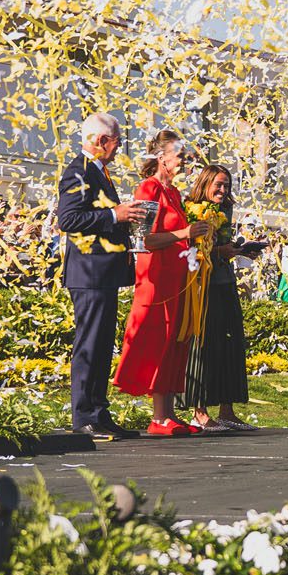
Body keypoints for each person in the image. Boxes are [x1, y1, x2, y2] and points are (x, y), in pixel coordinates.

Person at [112, 129, 214, 436]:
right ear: (162, 157)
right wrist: (186, 234)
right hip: (155, 277)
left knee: (175, 341)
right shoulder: (149, 188)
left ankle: (167, 412)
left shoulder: (173, 193)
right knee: (159, 339)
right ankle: (158, 415)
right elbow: (144, 239)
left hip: (176, 276)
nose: (186, 160)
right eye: (180, 155)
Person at [56, 113, 149, 440]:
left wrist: (125, 219)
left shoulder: (97, 172)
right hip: (89, 273)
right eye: (116, 139)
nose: (119, 145)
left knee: (101, 345)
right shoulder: (78, 171)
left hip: (102, 272)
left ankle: (98, 411)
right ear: (100, 141)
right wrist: (115, 213)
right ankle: (83, 415)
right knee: (89, 345)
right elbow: (68, 219)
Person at [178, 165, 257, 433]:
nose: (223, 191)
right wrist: (219, 252)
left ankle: (227, 410)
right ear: (206, 183)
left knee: (230, 344)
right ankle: (199, 412)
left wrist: (235, 250)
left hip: (224, 281)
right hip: (200, 286)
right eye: (219, 185)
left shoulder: (226, 210)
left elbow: (220, 246)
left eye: (227, 186)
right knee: (204, 346)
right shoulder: (190, 208)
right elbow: (189, 250)